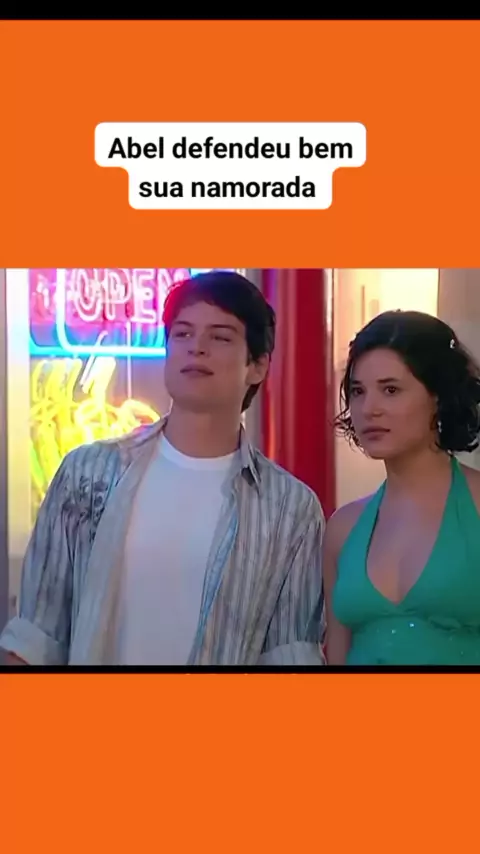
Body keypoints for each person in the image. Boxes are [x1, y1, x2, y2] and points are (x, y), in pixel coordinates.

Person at [0, 270, 326, 666]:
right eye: (183, 334)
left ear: (257, 366)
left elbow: (290, 655)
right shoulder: (88, 473)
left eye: (220, 337)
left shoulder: (290, 507)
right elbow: (37, 637)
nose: (196, 348)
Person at [323, 309, 480, 666]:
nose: (369, 409)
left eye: (390, 390)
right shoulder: (343, 528)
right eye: (358, 392)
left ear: (437, 396)